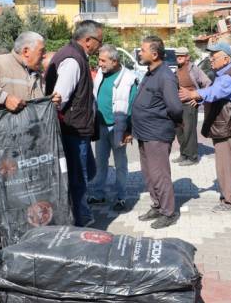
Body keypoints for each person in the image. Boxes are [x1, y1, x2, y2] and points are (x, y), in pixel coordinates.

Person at [0, 31, 60, 250]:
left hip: (30, 148)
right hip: (4, 151)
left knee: (29, 198)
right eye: (41, 52)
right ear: (26, 51)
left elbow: (31, 104)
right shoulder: (0, 64)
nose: (44, 57)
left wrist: (49, 101)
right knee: (5, 200)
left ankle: (30, 243)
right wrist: (3, 98)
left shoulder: (34, 72)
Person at [46, 20, 103, 227]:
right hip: (72, 130)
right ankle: (81, 220)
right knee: (79, 177)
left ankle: (80, 214)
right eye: (100, 40)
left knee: (86, 171)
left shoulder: (75, 55)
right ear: (88, 40)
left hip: (77, 128)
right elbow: (58, 98)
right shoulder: (72, 60)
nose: (101, 45)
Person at [180, 42, 231, 212]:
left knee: (225, 166)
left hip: (228, 128)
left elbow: (215, 92)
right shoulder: (227, 73)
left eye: (214, 57)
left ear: (226, 58)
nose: (210, 60)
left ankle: (230, 202)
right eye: (210, 56)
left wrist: (194, 94)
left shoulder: (227, 76)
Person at [132, 36, 183, 229]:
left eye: (142, 50)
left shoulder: (165, 76)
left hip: (157, 134)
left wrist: (172, 124)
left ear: (154, 54)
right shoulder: (150, 73)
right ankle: (157, 205)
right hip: (144, 133)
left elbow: (175, 108)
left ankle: (168, 212)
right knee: (149, 174)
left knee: (159, 174)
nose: (139, 53)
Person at [87, 44, 138, 211]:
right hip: (101, 126)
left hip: (118, 128)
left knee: (120, 164)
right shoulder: (100, 75)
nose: (99, 63)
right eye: (99, 59)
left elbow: (132, 106)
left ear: (114, 61)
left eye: (103, 60)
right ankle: (98, 194)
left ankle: (121, 197)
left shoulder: (129, 78)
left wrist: (129, 130)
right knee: (100, 163)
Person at [173, 46, 211, 166]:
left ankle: (193, 157)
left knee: (189, 131)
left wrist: (198, 98)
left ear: (187, 57)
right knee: (179, 130)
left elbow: (208, 84)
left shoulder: (194, 69)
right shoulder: (177, 70)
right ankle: (183, 154)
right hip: (178, 104)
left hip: (190, 105)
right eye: (177, 55)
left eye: (181, 55)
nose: (179, 57)